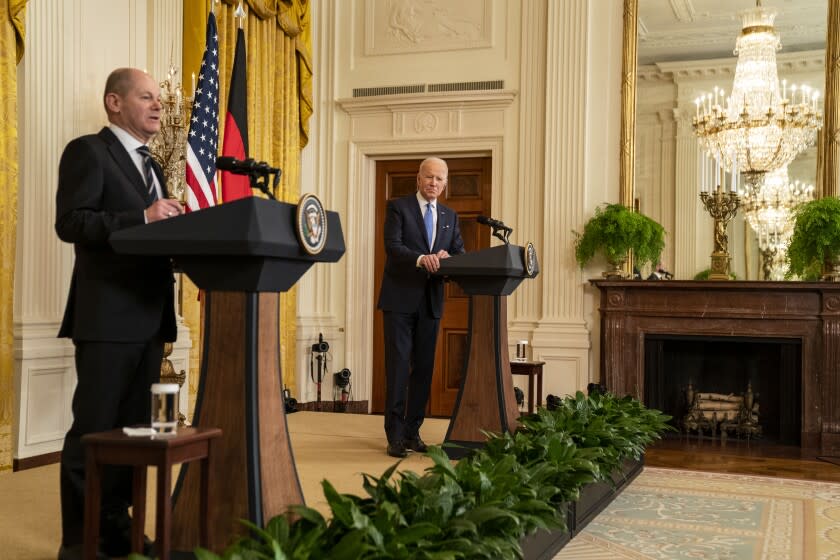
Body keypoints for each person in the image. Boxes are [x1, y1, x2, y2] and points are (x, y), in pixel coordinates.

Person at [54, 67, 183, 560]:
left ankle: (117, 531)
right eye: (147, 97)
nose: (158, 106)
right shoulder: (89, 151)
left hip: (150, 317)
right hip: (106, 317)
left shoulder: (153, 165)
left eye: (159, 99)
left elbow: (148, 239)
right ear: (114, 102)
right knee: (93, 433)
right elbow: (72, 223)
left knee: (135, 436)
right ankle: (78, 543)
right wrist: (142, 217)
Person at [377, 157, 465, 458]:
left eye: (440, 179)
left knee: (424, 371)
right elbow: (393, 246)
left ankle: (413, 431)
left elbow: (459, 253)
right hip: (399, 301)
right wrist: (420, 258)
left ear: (445, 183)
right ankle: (395, 436)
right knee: (399, 369)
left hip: (431, 302)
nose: (434, 183)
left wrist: (447, 256)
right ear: (418, 178)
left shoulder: (450, 216)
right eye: (429, 177)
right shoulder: (398, 208)